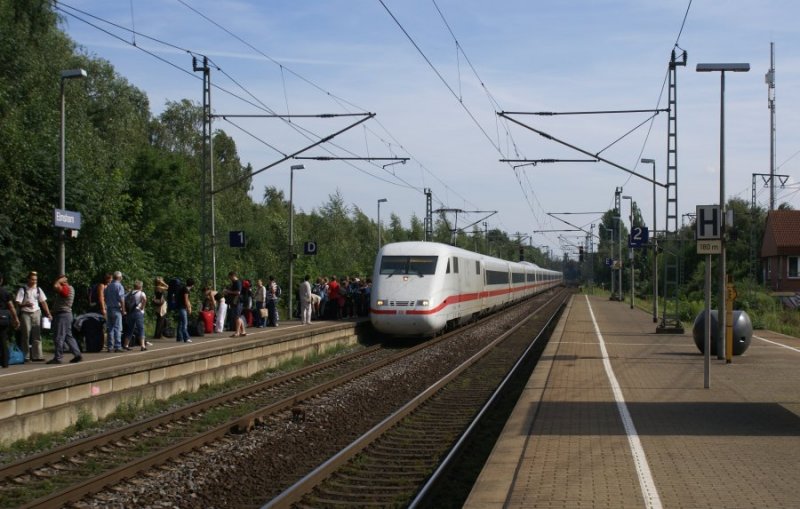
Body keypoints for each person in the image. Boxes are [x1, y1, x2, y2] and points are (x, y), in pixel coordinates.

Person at [15, 271, 52, 361]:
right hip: (25, 313)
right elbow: (17, 302)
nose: (34, 281)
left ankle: (37, 356)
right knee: (26, 334)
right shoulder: (23, 289)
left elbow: (43, 302)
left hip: (36, 312)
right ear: (28, 279)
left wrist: (48, 313)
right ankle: (25, 356)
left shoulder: (38, 289)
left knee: (37, 335)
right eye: (32, 279)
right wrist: (25, 305)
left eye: (35, 280)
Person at [46, 275, 82, 364]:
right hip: (66, 315)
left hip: (63, 315)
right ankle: (77, 354)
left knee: (59, 336)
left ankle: (58, 358)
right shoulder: (68, 288)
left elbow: (55, 287)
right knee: (68, 336)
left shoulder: (66, 288)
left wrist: (59, 281)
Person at [0, 273, 21, 368]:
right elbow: (11, 307)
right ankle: (5, 362)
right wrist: (16, 319)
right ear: (1, 280)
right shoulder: (5, 292)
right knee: (3, 339)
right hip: (4, 318)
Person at [103, 271, 125, 352]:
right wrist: (123, 310)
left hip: (109, 309)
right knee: (117, 328)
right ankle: (117, 346)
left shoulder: (108, 286)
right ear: (119, 277)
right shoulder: (119, 286)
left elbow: (105, 297)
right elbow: (122, 299)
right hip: (116, 309)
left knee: (110, 328)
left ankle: (110, 346)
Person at [124, 280, 147, 351]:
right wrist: (142, 307)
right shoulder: (141, 293)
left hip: (130, 312)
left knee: (130, 329)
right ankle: (142, 345)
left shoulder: (129, 293)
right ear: (140, 286)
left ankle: (126, 344)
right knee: (141, 328)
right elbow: (144, 299)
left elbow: (124, 300)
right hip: (138, 312)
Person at [225, 271, 247, 337]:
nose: (229, 279)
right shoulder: (234, 283)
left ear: (232, 276)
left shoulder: (237, 282)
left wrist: (228, 291)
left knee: (237, 317)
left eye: (230, 277)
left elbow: (238, 292)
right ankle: (243, 331)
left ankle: (237, 332)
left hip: (237, 301)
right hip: (235, 302)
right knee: (238, 317)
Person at [175, 278, 194, 343]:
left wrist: (189, 306)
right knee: (184, 324)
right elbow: (186, 299)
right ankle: (186, 338)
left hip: (180, 307)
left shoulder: (183, 288)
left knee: (180, 323)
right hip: (182, 308)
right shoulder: (186, 290)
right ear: (192, 285)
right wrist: (188, 308)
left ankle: (179, 337)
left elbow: (187, 299)